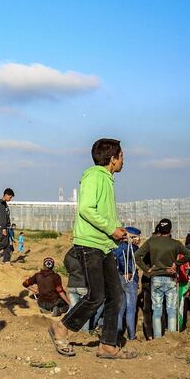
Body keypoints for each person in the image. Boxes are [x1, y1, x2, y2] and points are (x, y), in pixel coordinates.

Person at [47, 138, 135, 359]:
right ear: (112, 158)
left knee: (116, 295)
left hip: (103, 245)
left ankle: (107, 345)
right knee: (96, 295)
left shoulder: (106, 179)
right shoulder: (95, 176)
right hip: (90, 244)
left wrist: (120, 232)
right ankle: (62, 328)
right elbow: (86, 209)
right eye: (122, 156)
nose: (124, 160)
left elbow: (102, 215)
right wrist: (110, 228)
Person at [135, 218, 190, 338]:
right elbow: (189, 255)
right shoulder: (175, 243)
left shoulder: (151, 242)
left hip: (155, 278)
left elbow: (137, 255)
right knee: (171, 310)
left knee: (156, 310)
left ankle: (158, 339)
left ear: (159, 229)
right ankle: (171, 338)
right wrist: (176, 263)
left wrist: (147, 269)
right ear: (171, 230)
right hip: (171, 278)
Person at [113, 227, 141, 340]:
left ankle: (118, 332)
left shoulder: (118, 246)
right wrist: (127, 271)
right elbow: (120, 257)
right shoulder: (129, 247)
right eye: (137, 237)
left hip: (120, 278)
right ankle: (131, 335)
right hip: (129, 279)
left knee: (121, 307)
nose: (139, 240)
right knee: (131, 308)